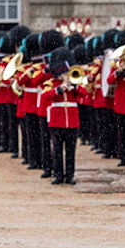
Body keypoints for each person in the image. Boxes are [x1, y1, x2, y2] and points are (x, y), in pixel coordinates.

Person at [41, 47, 80, 185]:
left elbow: (84, 93)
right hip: (56, 121)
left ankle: (69, 176)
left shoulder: (75, 82)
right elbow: (45, 96)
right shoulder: (51, 84)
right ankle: (58, 175)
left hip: (72, 121)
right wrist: (58, 89)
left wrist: (74, 87)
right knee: (57, 150)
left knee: (70, 151)